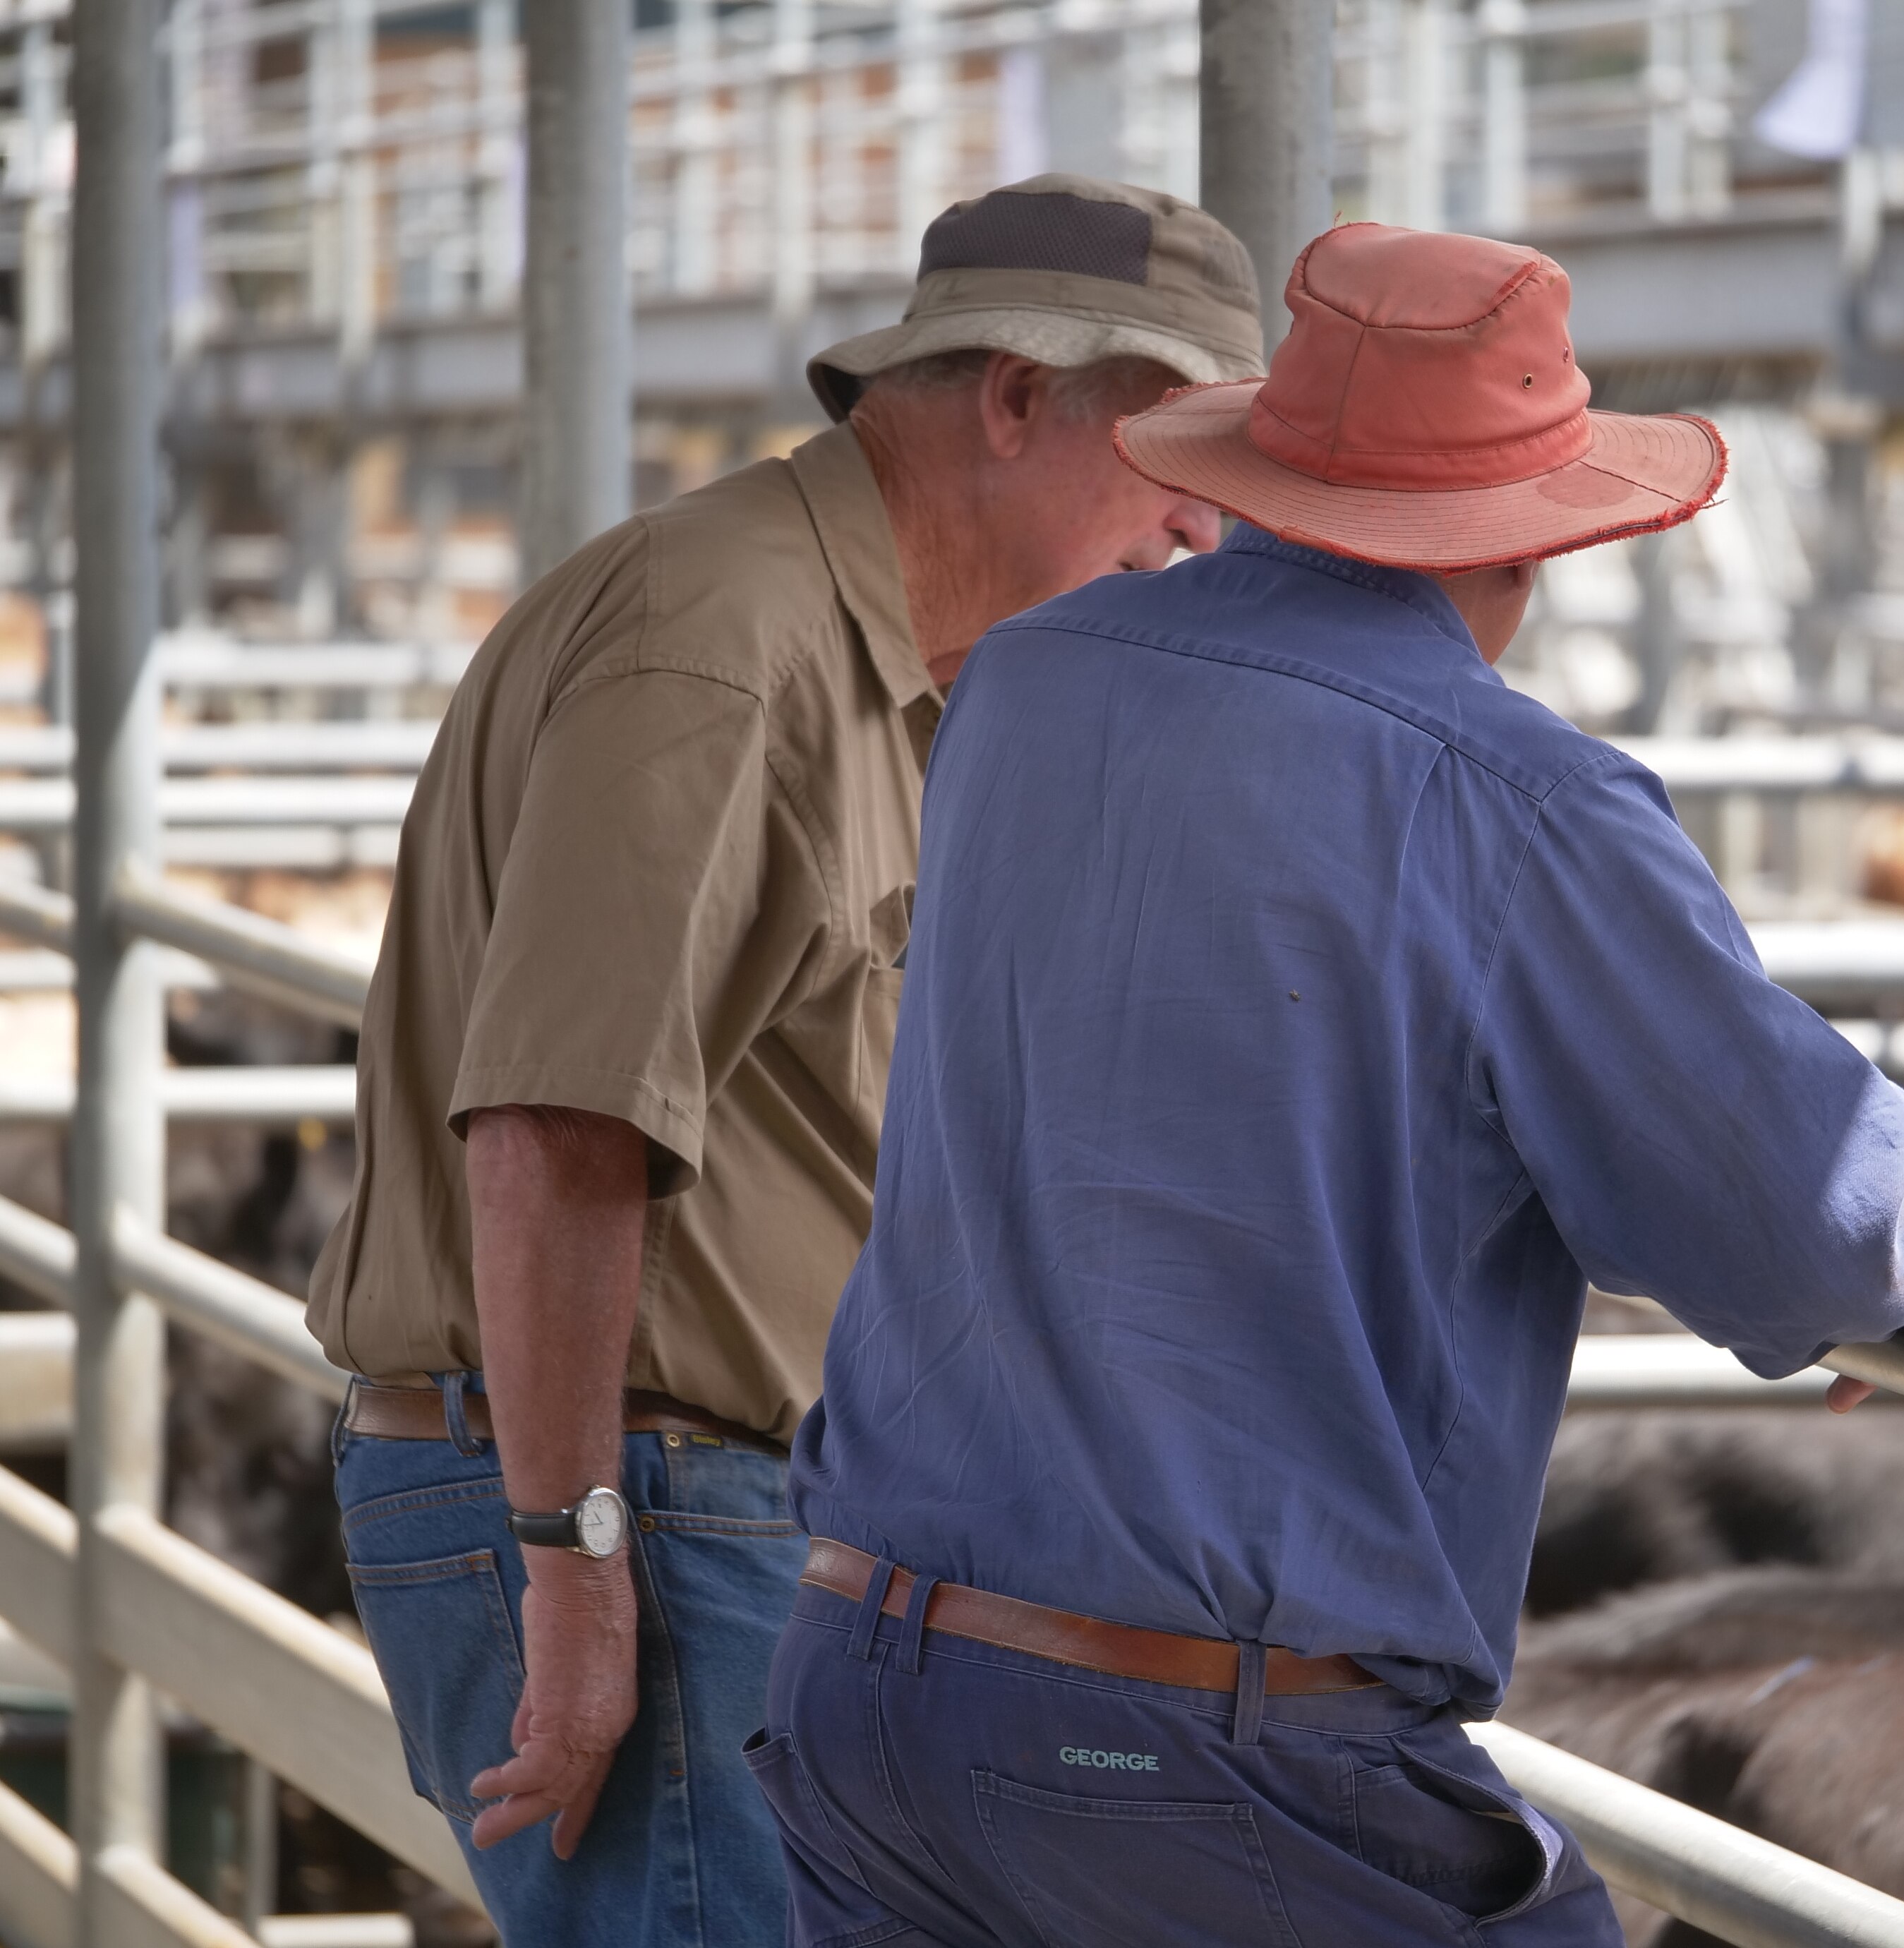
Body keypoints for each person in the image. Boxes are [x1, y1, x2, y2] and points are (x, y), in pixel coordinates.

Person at [755, 221, 1904, 1945]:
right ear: (1541, 532)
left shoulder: (1027, 685)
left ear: (1262, 475)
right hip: (1201, 1747)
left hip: (867, 1690)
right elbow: (1823, 1222)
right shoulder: (1517, 799)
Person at [304, 174, 1263, 1947]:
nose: (1206, 531)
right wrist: (579, 1587)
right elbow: (554, 1125)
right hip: (642, 1506)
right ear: (1016, 395)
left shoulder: (885, 658)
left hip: (700, 1500)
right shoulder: (730, 651)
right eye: (1183, 452)